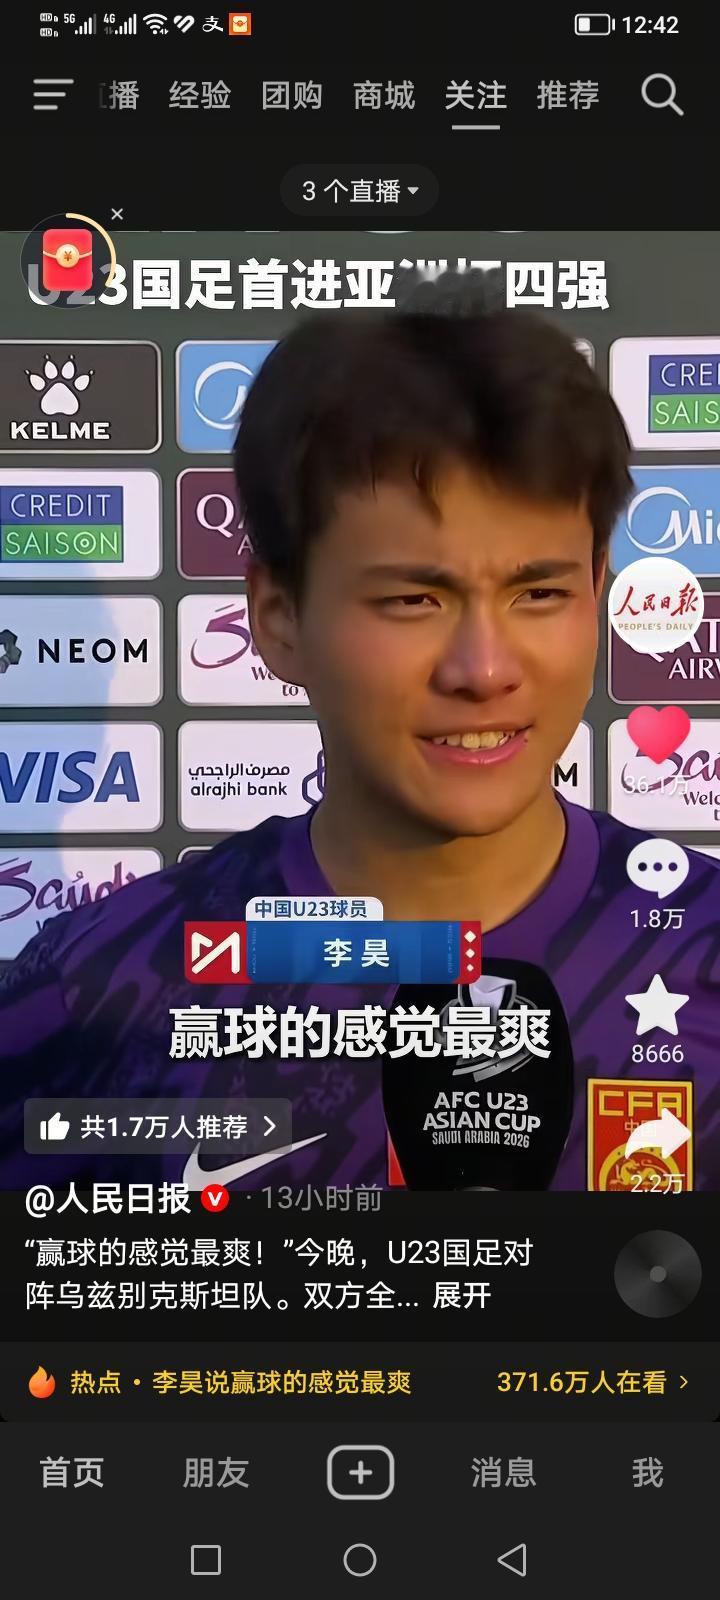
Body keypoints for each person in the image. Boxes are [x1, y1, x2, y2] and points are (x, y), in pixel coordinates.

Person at [1, 299, 718, 1192]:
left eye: (539, 594)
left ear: (599, 591)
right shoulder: (97, 990)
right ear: (278, 619)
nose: (484, 669)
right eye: (413, 600)